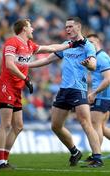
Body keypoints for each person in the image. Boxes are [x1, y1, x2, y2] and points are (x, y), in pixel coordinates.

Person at [0, 18, 82, 169]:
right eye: (30, 26)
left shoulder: (29, 45)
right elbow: (9, 65)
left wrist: (69, 44)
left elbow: (50, 48)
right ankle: (1, 162)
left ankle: (5, 160)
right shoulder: (12, 42)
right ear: (23, 29)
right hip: (6, 85)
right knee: (6, 124)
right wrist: (25, 78)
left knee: (19, 126)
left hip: (17, 87)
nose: (33, 29)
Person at [28, 17, 103, 167]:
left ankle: (97, 158)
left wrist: (89, 65)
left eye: (70, 26)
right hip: (64, 90)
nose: (67, 29)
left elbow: (93, 65)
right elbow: (47, 60)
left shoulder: (88, 46)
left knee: (85, 123)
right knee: (55, 126)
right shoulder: (65, 45)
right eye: (66, 27)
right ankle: (75, 151)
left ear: (78, 27)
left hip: (78, 90)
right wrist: (27, 65)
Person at [85, 34, 110, 161]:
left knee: (95, 125)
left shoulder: (101, 57)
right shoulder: (97, 57)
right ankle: (96, 154)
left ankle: (96, 156)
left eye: (92, 42)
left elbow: (108, 79)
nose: (89, 44)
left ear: (98, 42)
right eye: (87, 42)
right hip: (105, 96)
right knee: (101, 127)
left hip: (102, 96)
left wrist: (95, 93)